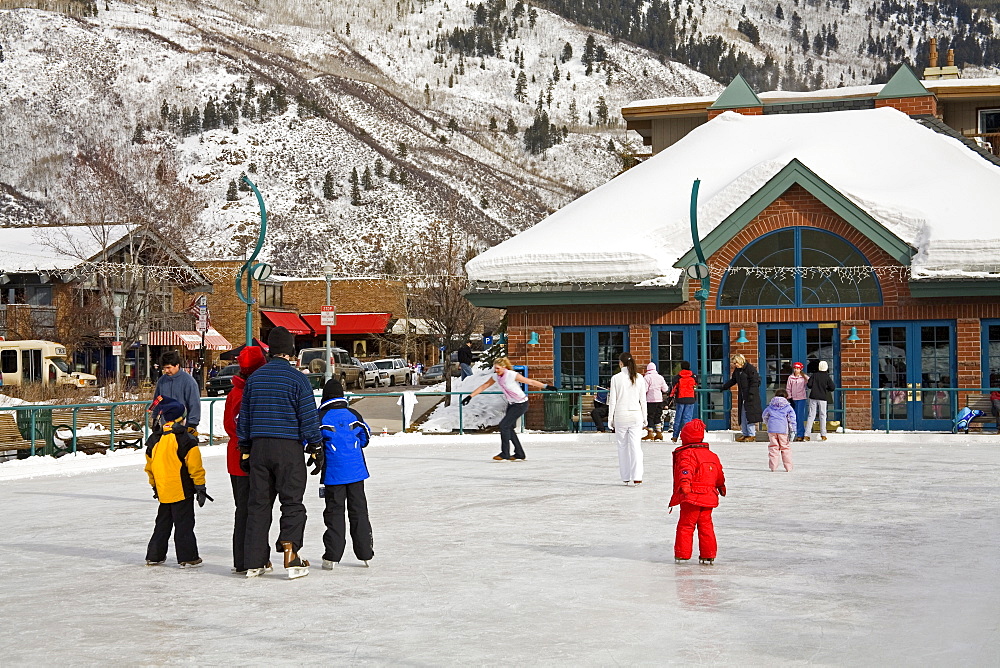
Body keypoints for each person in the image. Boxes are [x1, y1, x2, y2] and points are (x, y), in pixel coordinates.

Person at [238, 326, 324, 580]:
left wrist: (245, 449)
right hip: (288, 448)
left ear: (270, 351)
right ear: (291, 352)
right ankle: (290, 552)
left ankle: (254, 561)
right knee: (292, 502)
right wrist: (316, 446)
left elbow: (245, 418)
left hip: (260, 447)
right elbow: (308, 417)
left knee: (258, 505)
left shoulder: (255, 379)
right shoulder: (298, 379)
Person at [144, 398, 211, 568]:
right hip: (182, 490)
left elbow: (149, 467)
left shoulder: (155, 439)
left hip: (163, 489)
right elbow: (195, 466)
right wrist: (200, 486)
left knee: (162, 524)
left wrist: (155, 486)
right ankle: (188, 557)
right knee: (184, 524)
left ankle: (154, 555)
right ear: (181, 418)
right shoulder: (185, 439)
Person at [317, 379, 374, 569]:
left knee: (335, 513)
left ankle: (332, 556)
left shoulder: (321, 417)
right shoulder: (353, 414)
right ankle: (365, 553)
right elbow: (366, 436)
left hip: (334, 475)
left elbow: (310, 440)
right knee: (359, 512)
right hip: (357, 473)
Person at [223, 345, 267, 574]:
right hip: (246, 457)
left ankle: (242, 558)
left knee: (243, 509)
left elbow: (228, 425)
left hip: (235, 457)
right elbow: (241, 426)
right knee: (252, 509)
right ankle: (250, 557)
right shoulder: (245, 394)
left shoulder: (235, 392)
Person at [463, 357, 556, 461]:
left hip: (521, 403)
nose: (496, 370)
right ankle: (519, 453)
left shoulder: (511, 374)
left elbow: (530, 382)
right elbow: (484, 386)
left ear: (504, 367)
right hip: (512, 404)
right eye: (495, 368)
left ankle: (505, 453)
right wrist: (470, 396)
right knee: (508, 427)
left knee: (504, 425)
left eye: (498, 368)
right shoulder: (496, 377)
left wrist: (547, 386)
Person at [669, 419, 726, 565]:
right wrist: (721, 486)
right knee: (706, 525)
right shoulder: (711, 455)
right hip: (709, 496)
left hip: (692, 496)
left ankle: (683, 554)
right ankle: (708, 554)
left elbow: (685, 470)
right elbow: (718, 472)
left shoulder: (687, 454)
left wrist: (685, 484)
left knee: (686, 525)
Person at [609, 352, 648, 486]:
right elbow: (643, 399)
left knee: (622, 447)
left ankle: (625, 477)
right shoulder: (640, 378)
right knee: (636, 446)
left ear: (621, 363)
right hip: (636, 414)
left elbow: (612, 400)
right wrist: (645, 417)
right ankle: (637, 476)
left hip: (621, 415)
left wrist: (610, 418)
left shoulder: (616, 378)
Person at [153, 350, 202, 434]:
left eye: (168, 367)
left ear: (177, 365)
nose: (166, 371)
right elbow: (157, 401)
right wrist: (155, 419)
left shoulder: (189, 381)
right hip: (166, 427)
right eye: (164, 368)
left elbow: (194, 404)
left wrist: (192, 424)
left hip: (183, 426)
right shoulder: (162, 381)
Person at [721, 354, 762, 442]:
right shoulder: (737, 371)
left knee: (750, 415)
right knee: (743, 415)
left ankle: (751, 434)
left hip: (751, 396)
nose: (735, 365)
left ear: (740, 361)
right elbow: (733, 380)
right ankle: (745, 433)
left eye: (736, 363)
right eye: (734, 363)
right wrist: (724, 387)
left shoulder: (750, 369)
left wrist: (751, 393)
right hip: (742, 395)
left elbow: (755, 382)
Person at [761, 389, 796, 472]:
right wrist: (793, 430)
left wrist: (768, 424)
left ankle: (773, 467)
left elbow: (764, 416)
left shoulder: (770, 406)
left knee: (773, 447)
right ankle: (788, 467)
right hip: (783, 430)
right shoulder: (788, 407)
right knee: (785, 448)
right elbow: (792, 419)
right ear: (786, 397)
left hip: (772, 430)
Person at [804, 360, 836, 441]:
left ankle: (807, 434)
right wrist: (826, 388)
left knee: (811, 415)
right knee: (823, 415)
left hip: (813, 396)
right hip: (823, 397)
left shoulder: (814, 375)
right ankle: (823, 434)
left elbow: (809, 385)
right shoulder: (827, 376)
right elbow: (832, 387)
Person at [669, 361, 699, 443]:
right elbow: (696, 384)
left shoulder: (678, 377)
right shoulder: (693, 376)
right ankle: (686, 437)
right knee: (687, 419)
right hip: (690, 398)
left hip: (680, 398)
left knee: (678, 418)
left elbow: (673, 388)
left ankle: (675, 436)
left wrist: (670, 398)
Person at [643, 362, 669, 441]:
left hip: (650, 400)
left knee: (650, 416)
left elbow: (645, 389)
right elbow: (665, 389)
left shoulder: (647, 378)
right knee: (658, 416)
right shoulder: (660, 377)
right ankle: (659, 433)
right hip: (659, 399)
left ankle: (650, 433)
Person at [785, 362, 809, 442]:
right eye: (795, 368)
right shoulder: (790, 377)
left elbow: (810, 383)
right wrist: (789, 396)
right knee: (793, 417)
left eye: (798, 369)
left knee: (800, 417)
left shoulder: (804, 377)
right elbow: (788, 388)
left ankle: (800, 434)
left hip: (801, 398)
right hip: (793, 399)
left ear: (800, 369)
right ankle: (793, 433)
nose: (796, 370)